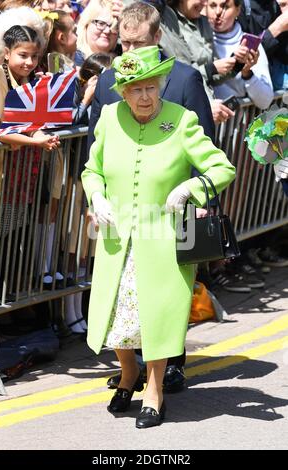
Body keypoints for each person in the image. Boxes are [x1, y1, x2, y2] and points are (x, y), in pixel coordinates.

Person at [81, 45, 236, 428]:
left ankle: (154, 389)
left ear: (161, 85)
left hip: (165, 237)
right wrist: (97, 195)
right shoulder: (108, 117)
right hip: (118, 239)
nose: (145, 96)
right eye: (135, 89)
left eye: (151, 87)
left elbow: (222, 168)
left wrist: (190, 188)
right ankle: (128, 372)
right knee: (119, 316)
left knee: (157, 318)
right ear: (122, 92)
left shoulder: (181, 120)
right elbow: (91, 169)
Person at [87, 1, 216, 392]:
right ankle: (134, 367)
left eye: (138, 42)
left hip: (175, 210)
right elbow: (96, 149)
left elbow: (205, 147)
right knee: (125, 291)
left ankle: (171, 364)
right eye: (124, 43)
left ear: (157, 37)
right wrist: (95, 200)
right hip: (123, 209)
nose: (130, 51)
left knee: (168, 290)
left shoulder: (185, 79)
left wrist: (197, 200)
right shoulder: (112, 80)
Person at [206, 0, 274, 109]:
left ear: (237, 10)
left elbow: (265, 101)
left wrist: (247, 73)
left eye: (225, 7)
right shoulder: (195, 40)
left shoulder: (250, 44)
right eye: (213, 5)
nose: (218, 12)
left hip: (233, 123)